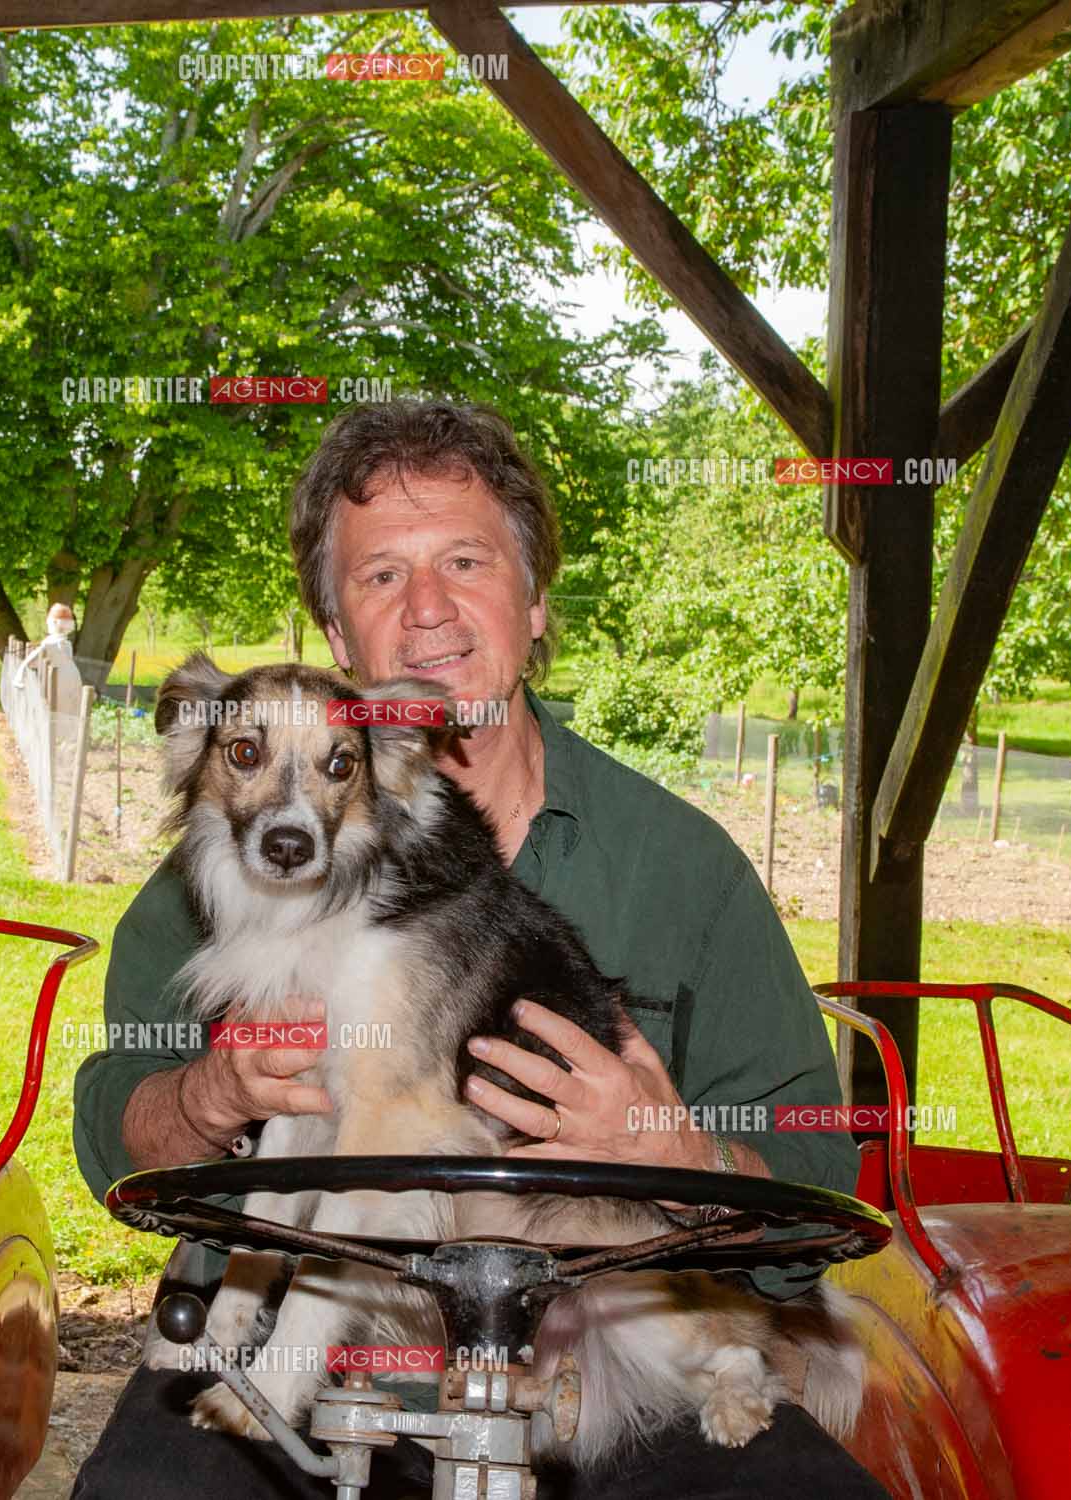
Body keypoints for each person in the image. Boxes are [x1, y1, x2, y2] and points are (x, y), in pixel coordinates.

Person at [68, 400, 888, 1499]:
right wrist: (210, 1093)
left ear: (537, 601)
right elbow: (114, 1126)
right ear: (336, 633)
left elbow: (818, 1176)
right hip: (289, 1360)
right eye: (378, 578)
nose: (427, 612)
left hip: (597, 1357)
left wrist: (681, 1157)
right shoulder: (236, 865)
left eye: (464, 559)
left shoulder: (680, 867)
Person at [14, 601, 77, 689]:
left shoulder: (64, 644)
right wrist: (20, 676)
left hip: (65, 687)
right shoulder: (50, 644)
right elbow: (28, 664)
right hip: (53, 688)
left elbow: (28, 664)